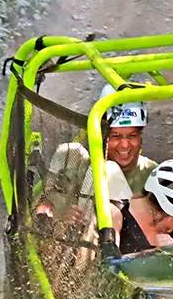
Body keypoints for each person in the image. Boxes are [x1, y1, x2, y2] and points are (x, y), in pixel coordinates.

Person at [36, 90, 156, 230]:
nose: (124, 145)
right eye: (116, 136)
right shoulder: (76, 165)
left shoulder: (152, 173)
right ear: (103, 135)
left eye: (131, 136)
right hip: (80, 244)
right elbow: (37, 209)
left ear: (140, 137)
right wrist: (58, 214)